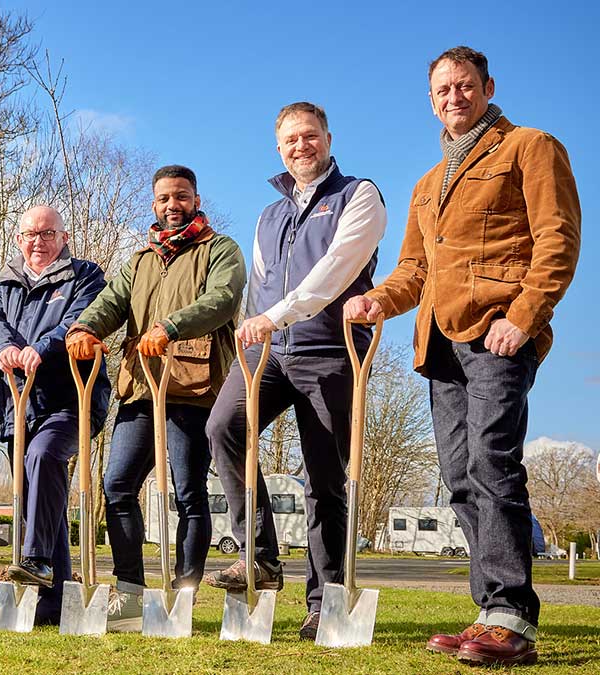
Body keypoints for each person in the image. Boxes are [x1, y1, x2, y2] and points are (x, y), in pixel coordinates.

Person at [345, 46, 580, 666]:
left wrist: (525, 316)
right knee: (457, 476)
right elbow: (414, 271)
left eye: (465, 85)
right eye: (442, 89)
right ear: (431, 100)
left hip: (498, 331)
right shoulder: (427, 183)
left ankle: (512, 617)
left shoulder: (529, 146)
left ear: (487, 86)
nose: (454, 96)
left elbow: (557, 238)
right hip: (439, 345)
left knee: (491, 461)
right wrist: (376, 300)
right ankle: (490, 610)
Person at [202, 102, 387, 640]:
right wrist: (254, 324)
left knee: (325, 479)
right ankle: (258, 556)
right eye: (289, 140)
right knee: (223, 428)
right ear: (278, 148)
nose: (300, 146)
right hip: (269, 351)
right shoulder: (269, 214)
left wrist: (275, 315)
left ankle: (324, 600)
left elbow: (335, 272)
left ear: (328, 138)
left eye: (309, 136)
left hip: (331, 349)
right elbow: (260, 281)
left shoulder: (359, 195)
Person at [65, 165, 245, 632]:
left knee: (188, 492)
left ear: (195, 198)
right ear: (154, 204)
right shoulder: (140, 259)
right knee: (117, 486)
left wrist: (170, 327)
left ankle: (182, 592)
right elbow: (112, 302)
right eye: (164, 198)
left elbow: (223, 299)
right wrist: (84, 326)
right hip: (140, 387)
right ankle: (129, 591)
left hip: (194, 386)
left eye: (181, 196)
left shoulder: (219, 249)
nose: (173, 205)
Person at [0, 204, 110, 626]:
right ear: (19, 239)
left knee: (45, 457)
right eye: (31, 234)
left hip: (72, 396)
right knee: (37, 497)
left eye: (48, 234)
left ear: (64, 237)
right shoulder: (5, 283)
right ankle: (52, 605)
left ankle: (33, 558)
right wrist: (3, 349)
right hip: (18, 400)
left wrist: (46, 345)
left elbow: (82, 319)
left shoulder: (86, 276)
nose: (39, 242)